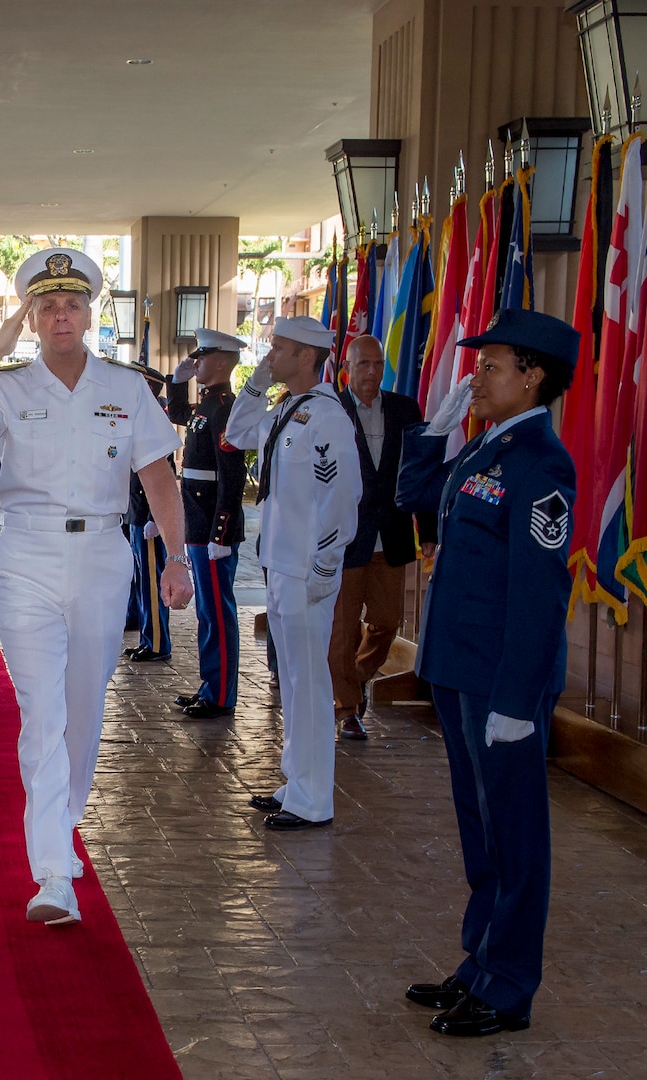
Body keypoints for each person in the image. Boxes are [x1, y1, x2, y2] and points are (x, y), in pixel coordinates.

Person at [0, 248, 191, 926]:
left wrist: (176, 557)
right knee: (42, 712)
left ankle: (64, 822)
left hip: (104, 554)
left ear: (88, 312)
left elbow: (157, 477)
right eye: (44, 305)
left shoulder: (127, 386)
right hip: (27, 551)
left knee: (84, 702)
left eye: (71, 303)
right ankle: (51, 869)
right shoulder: (11, 387)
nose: (59, 315)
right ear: (31, 315)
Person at [395, 308, 578, 1038]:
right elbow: (415, 501)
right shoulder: (485, 451)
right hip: (457, 667)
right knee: (480, 827)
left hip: (500, 680)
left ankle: (509, 986)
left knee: (516, 834)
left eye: (493, 365)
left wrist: (517, 698)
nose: (477, 375)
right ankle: (481, 960)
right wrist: (433, 431)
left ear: (533, 376)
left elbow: (540, 594)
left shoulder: (541, 462)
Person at [223, 316, 361, 831]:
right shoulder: (288, 411)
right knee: (296, 683)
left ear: (307, 356)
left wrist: (326, 563)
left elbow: (341, 497)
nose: (269, 355)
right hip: (280, 564)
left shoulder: (326, 418)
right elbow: (236, 434)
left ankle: (312, 799)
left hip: (306, 570)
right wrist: (257, 382)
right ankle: (296, 784)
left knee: (307, 683)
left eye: (278, 349)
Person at [331, 335, 436, 739]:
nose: (371, 372)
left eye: (377, 365)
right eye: (363, 365)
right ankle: (347, 711)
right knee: (343, 629)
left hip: (391, 538)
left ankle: (355, 678)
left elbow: (420, 472)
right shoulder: (331, 409)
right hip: (345, 540)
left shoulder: (405, 409)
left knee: (387, 622)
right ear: (348, 368)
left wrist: (428, 530)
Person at [166, 328, 249, 719]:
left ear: (221, 362)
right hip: (199, 523)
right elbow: (180, 415)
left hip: (213, 526)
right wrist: (177, 383)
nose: (195, 364)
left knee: (218, 612)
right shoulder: (207, 407)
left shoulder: (228, 409)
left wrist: (221, 532)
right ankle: (209, 684)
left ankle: (221, 694)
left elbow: (230, 477)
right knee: (207, 613)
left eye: (201, 359)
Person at [124, 364, 174, 663]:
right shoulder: (135, 418)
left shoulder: (155, 421)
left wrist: (156, 517)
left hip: (148, 516)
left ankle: (157, 642)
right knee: (141, 579)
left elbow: (164, 472)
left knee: (153, 583)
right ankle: (146, 633)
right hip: (136, 513)